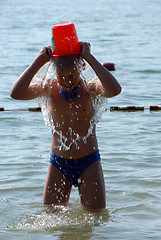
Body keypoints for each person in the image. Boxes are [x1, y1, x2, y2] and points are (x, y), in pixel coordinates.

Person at [10, 42, 121, 211]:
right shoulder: (48, 88)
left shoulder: (90, 87)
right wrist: (39, 61)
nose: (67, 81)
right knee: (51, 216)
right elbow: (15, 93)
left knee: (96, 217)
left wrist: (89, 58)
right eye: (61, 76)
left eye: (72, 75)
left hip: (89, 161)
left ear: (82, 68)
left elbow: (114, 90)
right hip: (58, 162)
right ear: (54, 73)